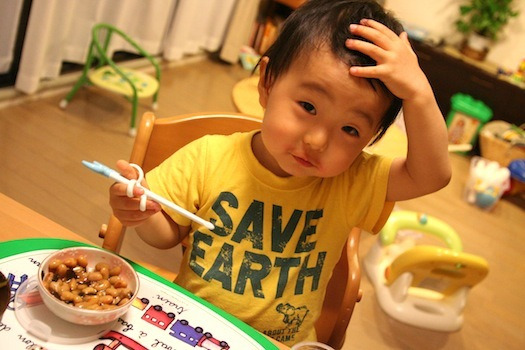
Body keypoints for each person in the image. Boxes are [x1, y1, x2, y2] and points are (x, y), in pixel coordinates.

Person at [109, 0, 451, 345]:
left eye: (350, 130)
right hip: (193, 328)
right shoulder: (208, 156)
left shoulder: (353, 181)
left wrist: (419, 93)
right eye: (308, 107)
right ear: (267, 83)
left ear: (371, 137)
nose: (317, 141)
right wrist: (139, 212)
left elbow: (432, 175)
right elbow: (165, 235)